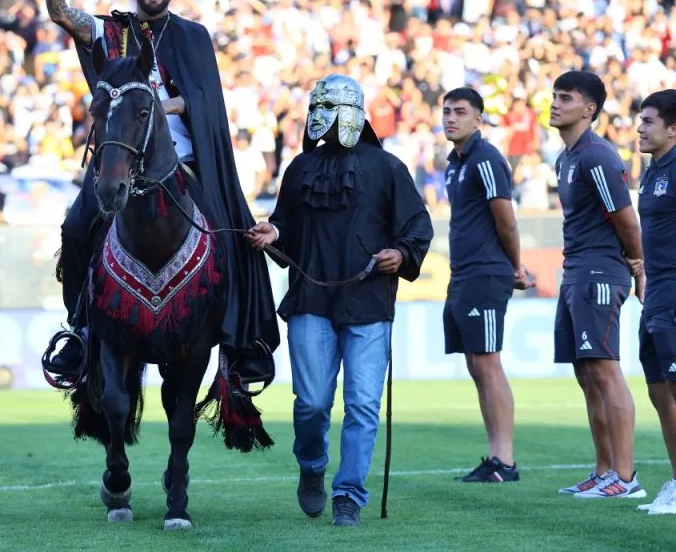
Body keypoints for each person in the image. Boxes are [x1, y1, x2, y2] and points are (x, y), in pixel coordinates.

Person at [12, 0, 280, 388]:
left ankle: (243, 347)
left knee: (233, 232)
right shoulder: (109, 33)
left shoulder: (193, 36)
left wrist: (163, 103)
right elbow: (61, 14)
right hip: (120, 163)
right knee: (75, 229)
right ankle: (79, 329)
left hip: (185, 166)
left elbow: (206, 102)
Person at [246, 74, 434, 527]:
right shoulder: (298, 169)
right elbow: (284, 227)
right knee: (311, 403)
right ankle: (312, 468)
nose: (325, 117)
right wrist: (272, 233)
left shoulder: (388, 168)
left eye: (334, 107)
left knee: (363, 404)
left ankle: (349, 493)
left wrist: (402, 253)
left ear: (355, 114)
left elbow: (418, 225)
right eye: (319, 106)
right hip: (311, 300)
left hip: (368, 304)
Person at [549, 70, 646, 499]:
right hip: (575, 271)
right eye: (554, 96)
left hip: (600, 272)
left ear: (588, 109)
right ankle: (604, 469)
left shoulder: (598, 156)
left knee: (605, 370)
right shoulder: (566, 158)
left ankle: (626, 478)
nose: (555, 103)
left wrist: (639, 268)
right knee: (586, 372)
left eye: (565, 98)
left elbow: (625, 218)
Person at [441, 87, 535, 483]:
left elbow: (507, 221)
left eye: (460, 112)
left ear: (478, 119)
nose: (450, 118)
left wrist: (515, 267)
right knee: (475, 364)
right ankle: (496, 456)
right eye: (446, 111)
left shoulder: (486, 158)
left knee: (487, 362)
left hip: (485, 272)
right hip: (463, 273)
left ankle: (505, 461)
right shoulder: (453, 162)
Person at [634, 89, 676, 514]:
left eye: (648, 121)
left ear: (673, 128)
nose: (639, 128)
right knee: (658, 388)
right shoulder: (651, 170)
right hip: (657, 290)